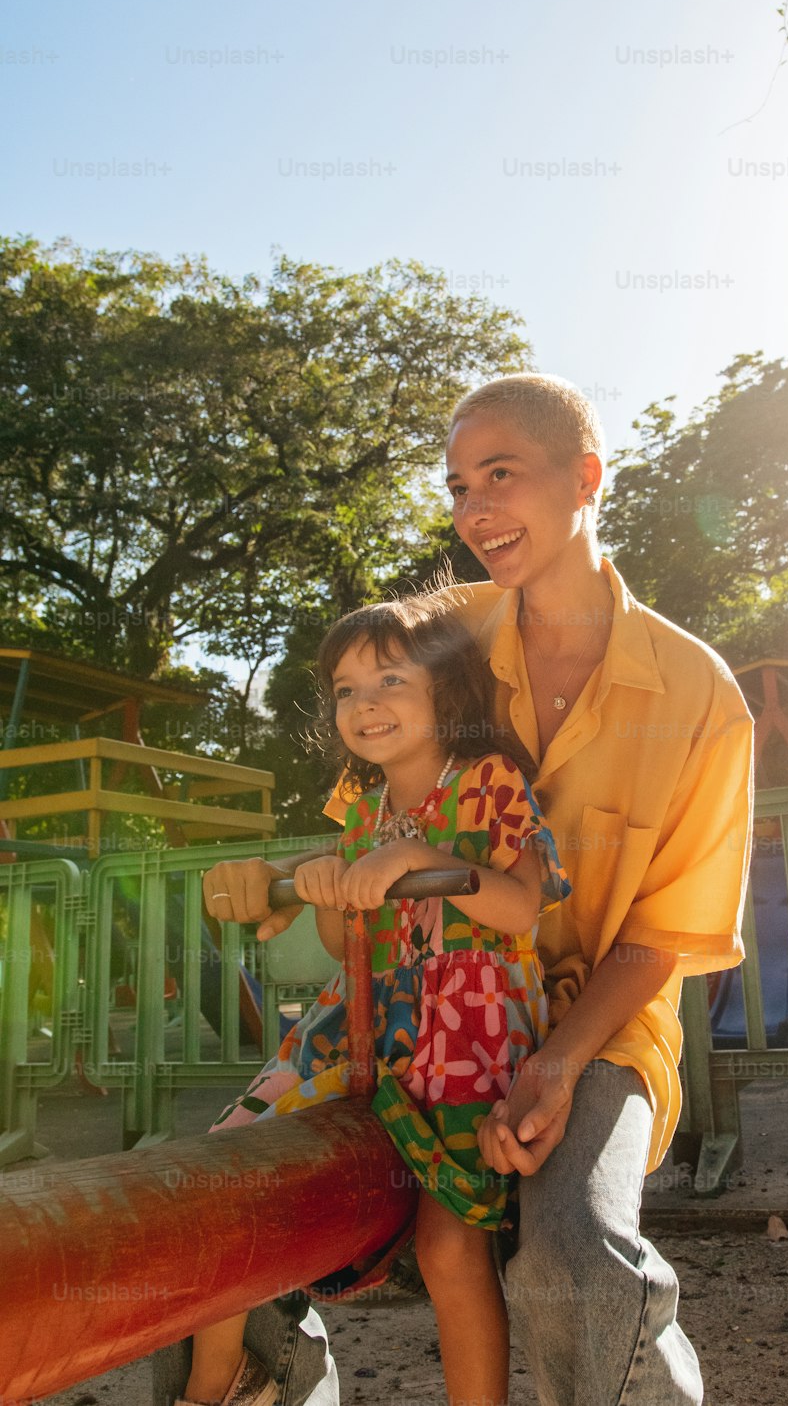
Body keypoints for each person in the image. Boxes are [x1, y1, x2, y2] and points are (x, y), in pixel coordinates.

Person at [156, 371, 754, 1406]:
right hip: (412, 1004)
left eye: (500, 476)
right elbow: (370, 747)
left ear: (585, 479)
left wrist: (559, 1065)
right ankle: (258, 1382)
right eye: (456, 486)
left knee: (569, 1259)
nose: (473, 510)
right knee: (224, 1193)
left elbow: (659, 941)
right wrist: (286, 882)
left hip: (594, 1026)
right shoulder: (449, 634)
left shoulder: (703, 698)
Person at [170, 593, 569, 1406]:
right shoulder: (359, 809)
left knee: (448, 1245)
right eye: (346, 689)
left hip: (465, 1021)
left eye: (389, 678)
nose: (365, 703)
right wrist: (326, 889)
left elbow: (522, 908)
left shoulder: (487, 780)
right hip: (362, 1017)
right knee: (231, 1167)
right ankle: (218, 1386)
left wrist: (417, 856)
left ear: (445, 690)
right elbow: (343, 945)